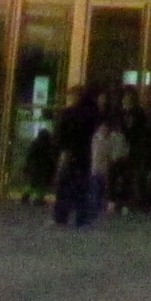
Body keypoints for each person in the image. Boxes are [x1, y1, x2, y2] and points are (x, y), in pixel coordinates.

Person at [50, 88, 103, 228]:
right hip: (84, 153)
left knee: (66, 186)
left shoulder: (69, 113)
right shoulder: (91, 113)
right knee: (82, 187)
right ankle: (82, 218)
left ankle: (61, 216)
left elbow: (62, 135)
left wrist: (60, 150)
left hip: (71, 152)